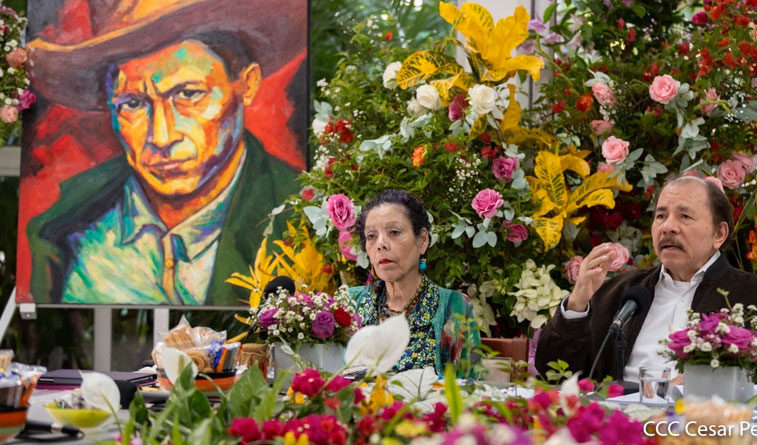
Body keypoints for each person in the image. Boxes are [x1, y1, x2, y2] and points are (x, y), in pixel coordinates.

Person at [24, 0, 306, 305]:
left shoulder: (299, 213)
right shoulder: (64, 227)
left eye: (188, 94)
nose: (161, 136)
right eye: (132, 104)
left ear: (247, 85)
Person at [535, 176, 757, 381]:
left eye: (684, 216)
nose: (668, 227)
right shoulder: (625, 292)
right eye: (661, 216)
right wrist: (577, 304)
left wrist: (709, 382)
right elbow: (555, 372)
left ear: (719, 234)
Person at [350, 189, 480, 375]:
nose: (381, 244)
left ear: (422, 240)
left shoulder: (454, 307)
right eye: (371, 236)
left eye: (394, 232)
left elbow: (468, 390)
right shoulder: (350, 303)